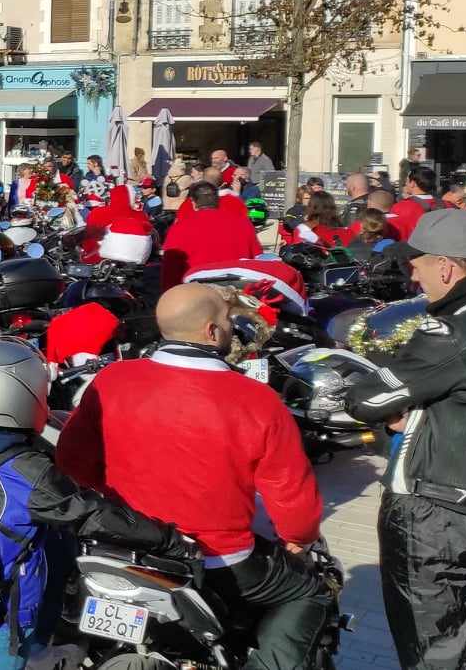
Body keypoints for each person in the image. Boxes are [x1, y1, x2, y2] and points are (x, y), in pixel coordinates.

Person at [57, 283, 330, 670]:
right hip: (215, 559)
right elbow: (292, 496)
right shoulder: (256, 399)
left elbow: (72, 462)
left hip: (120, 546)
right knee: (309, 592)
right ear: (212, 331)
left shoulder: (112, 379)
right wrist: (298, 540)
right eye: (226, 320)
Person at [0, 341, 193, 667]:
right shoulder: (25, 471)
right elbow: (91, 515)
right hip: (13, 602)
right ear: (22, 394)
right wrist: (167, 538)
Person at [344, 210, 466, 669]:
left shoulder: (452, 330)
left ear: (446, 267)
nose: (412, 274)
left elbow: (367, 397)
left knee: (433, 649)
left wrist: (411, 410)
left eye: (416, 263)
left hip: (440, 513)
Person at [160, 182, 263, 288]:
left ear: (193, 202)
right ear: (218, 200)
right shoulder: (243, 222)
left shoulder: (180, 227)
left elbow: (171, 267)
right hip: (237, 287)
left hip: (198, 289)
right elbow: (256, 257)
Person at [391, 167, 448, 243]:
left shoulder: (400, 207)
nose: (405, 183)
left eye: (407, 181)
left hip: (414, 250)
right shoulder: (448, 204)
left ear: (413, 183)